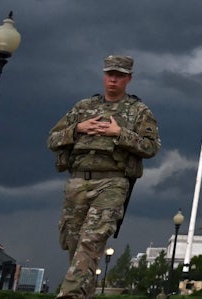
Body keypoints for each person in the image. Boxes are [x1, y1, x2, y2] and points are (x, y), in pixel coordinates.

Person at [48, 55, 161, 299]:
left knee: (92, 240)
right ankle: (81, 293)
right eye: (110, 73)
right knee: (74, 244)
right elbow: (52, 140)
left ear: (129, 78)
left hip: (112, 183)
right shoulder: (83, 108)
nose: (113, 79)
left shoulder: (138, 111)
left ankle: (68, 295)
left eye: (119, 75)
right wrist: (78, 129)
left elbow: (151, 147)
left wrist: (119, 133)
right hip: (77, 182)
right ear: (103, 75)